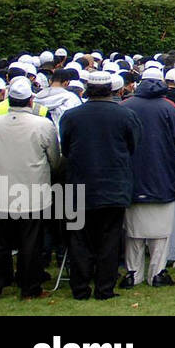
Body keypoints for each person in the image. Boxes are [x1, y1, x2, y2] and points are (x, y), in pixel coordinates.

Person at [60, 70, 138, 300]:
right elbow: (132, 146)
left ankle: (81, 289)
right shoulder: (125, 115)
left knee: (79, 239)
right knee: (110, 238)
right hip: (113, 185)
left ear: (87, 88)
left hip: (79, 185)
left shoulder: (71, 116)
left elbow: (66, 149)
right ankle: (104, 288)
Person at [0, 77, 61, 299]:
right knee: (30, 243)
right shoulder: (43, 125)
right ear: (30, 101)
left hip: (0, 191)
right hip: (32, 193)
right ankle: (29, 289)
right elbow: (54, 159)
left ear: (9, 100)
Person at [121, 70, 175, 288]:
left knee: (133, 231)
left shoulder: (126, 106)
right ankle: (157, 272)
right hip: (162, 173)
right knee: (161, 231)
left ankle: (133, 273)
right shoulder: (170, 108)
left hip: (133, 174)